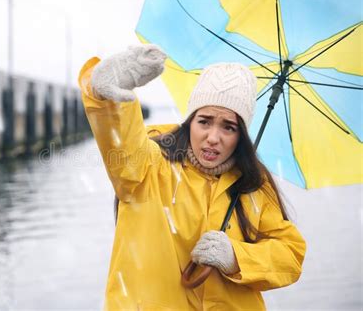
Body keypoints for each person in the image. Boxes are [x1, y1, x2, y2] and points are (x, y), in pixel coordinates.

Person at [78, 44, 306, 310]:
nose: (213, 137)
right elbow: (120, 141)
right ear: (190, 121)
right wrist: (105, 96)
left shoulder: (253, 185)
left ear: (241, 135)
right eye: (205, 121)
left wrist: (236, 257)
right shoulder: (149, 165)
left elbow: (290, 254)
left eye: (229, 127)